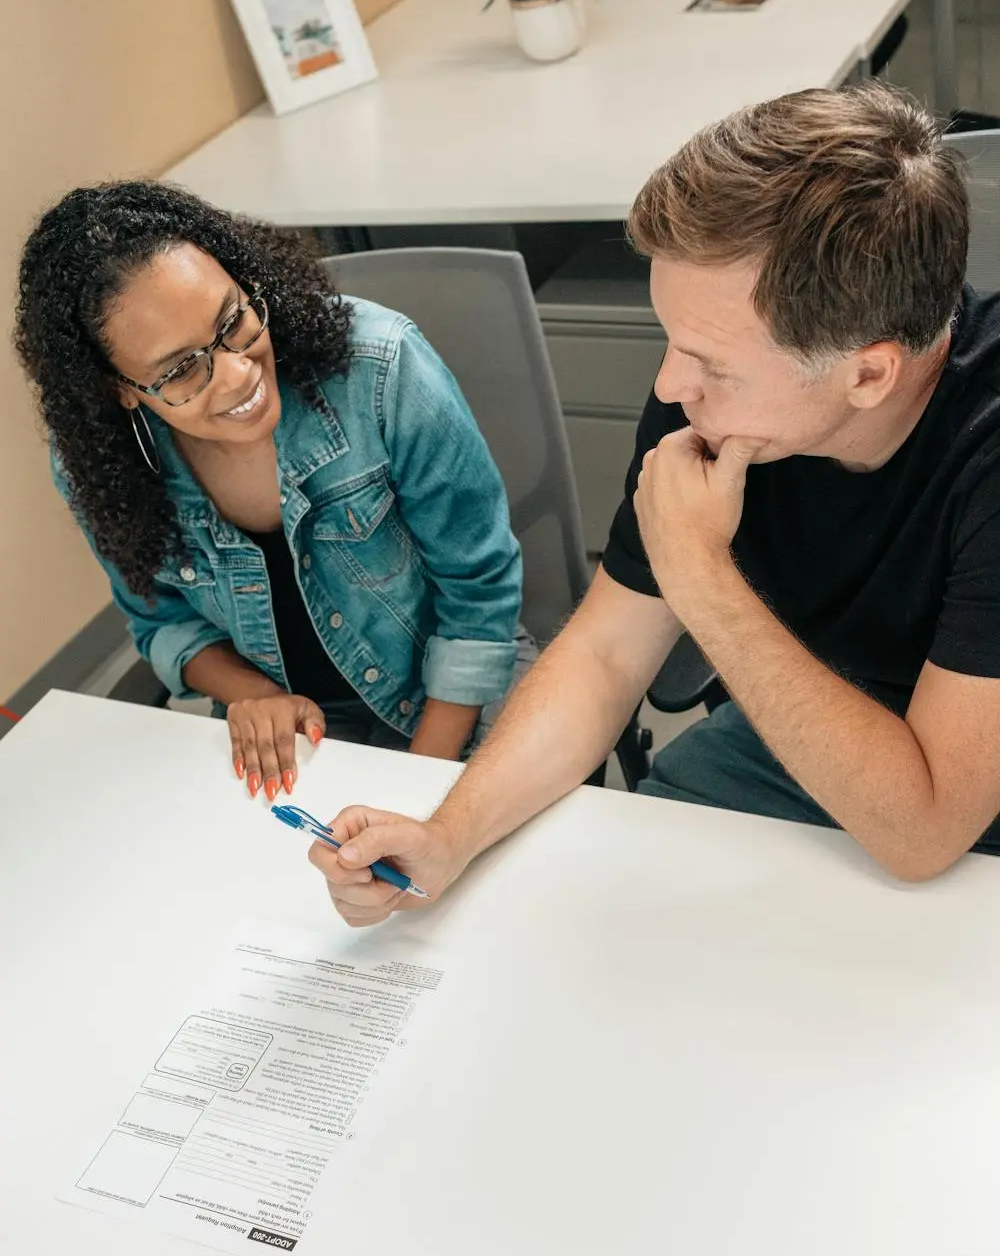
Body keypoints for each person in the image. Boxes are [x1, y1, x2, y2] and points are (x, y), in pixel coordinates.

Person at [306, 81, 1000, 924]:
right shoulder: (719, 393)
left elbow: (925, 833)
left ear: (868, 373)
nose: (672, 386)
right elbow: (605, 654)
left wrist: (700, 571)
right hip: (807, 724)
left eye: (712, 364)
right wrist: (449, 833)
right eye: (672, 343)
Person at [15, 182, 527, 799]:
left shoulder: (381, 367)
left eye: (232, 321)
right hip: (296, 727)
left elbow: (478, 599)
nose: (236, 374)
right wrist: (252, 694)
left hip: (451, 694)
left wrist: (417, 790)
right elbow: (163, 625)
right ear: (120, 389)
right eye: (180, 370)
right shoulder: (100, 468)